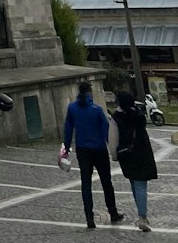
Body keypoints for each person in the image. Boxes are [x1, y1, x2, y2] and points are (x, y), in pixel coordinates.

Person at [63, 80, 124, 229]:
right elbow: (106, 131)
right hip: (99, 150)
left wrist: (66, 146)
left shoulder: (72, 108)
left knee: (86, 183)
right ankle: (113, 212)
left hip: (83, 150)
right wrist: (113, 149)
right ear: (89, 92)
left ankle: (89, 217)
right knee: (106, 182)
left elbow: (68, 128)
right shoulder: (96, 110)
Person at [109, 91, 157, 231]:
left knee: (134, 183)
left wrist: (114, 155)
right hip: (142, 152)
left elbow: (113, 139)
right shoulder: (139, 114)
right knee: (141, 185)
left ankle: (142, 215)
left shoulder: (116, 118)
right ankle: (143, 216)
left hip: (127, 155)